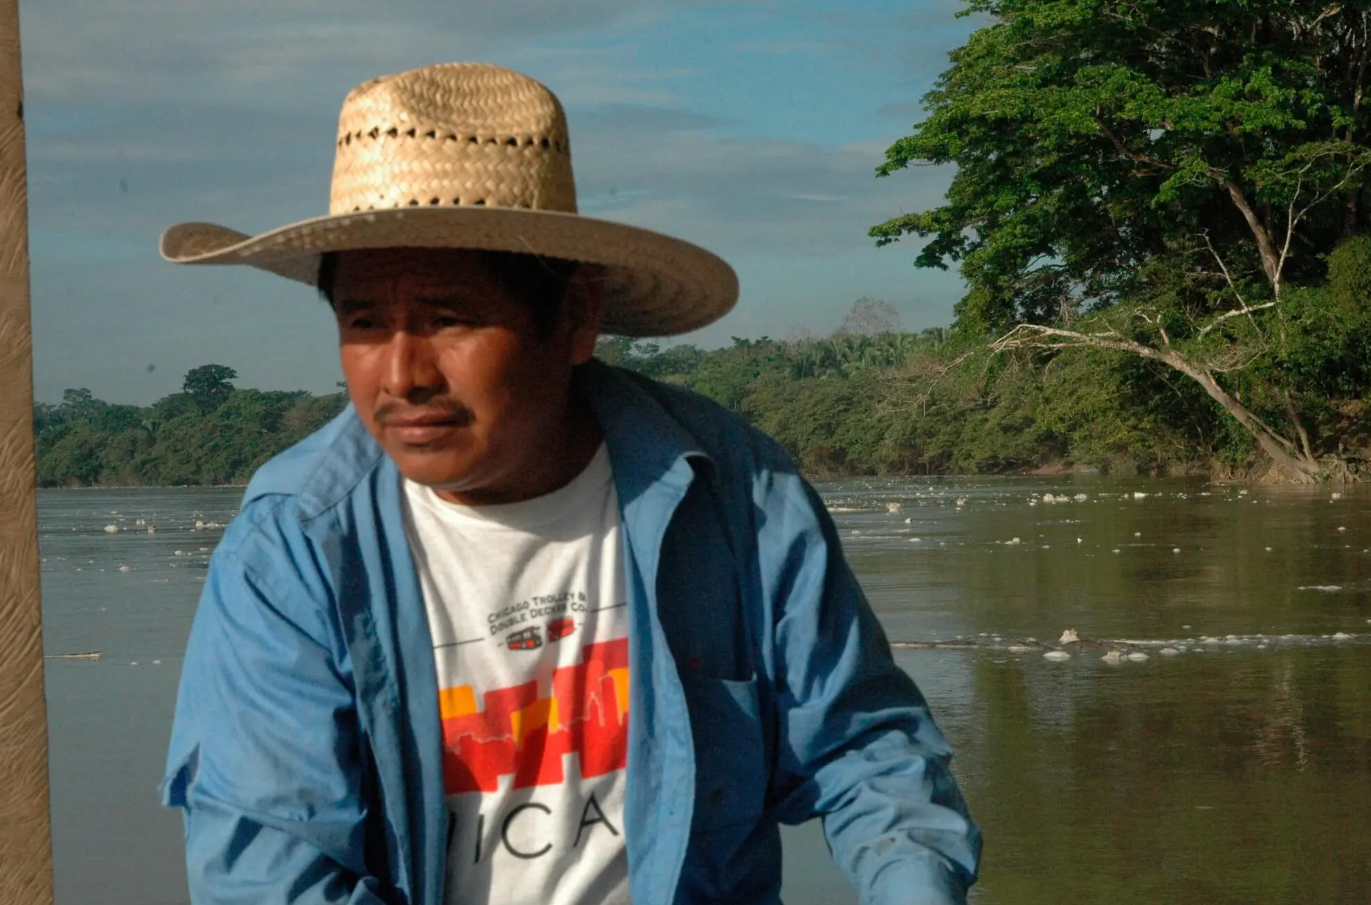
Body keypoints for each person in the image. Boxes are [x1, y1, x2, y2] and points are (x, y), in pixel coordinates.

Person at [160, 62, 980, 905]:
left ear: (575, 316)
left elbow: (865, 753)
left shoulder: (735, 493)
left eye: (447, 318)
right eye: (363, 323)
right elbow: (272, 870)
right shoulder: (294, 545)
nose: (402, 374)